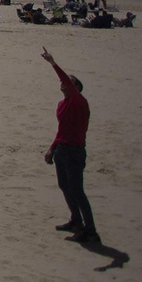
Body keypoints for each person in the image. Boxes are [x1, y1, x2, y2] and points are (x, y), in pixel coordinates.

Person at [41, 47, 98, 244]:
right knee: (64, 186)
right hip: (62, 149)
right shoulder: (62, 104)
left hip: (75, 151)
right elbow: (61, 130)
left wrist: (53, 63)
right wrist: (52, 148)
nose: (64, 84)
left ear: (75, 88)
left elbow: (65, 79)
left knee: (77, 190)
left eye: (69, 82)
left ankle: (91, 231)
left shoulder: (79, 102)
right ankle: (75, 221)